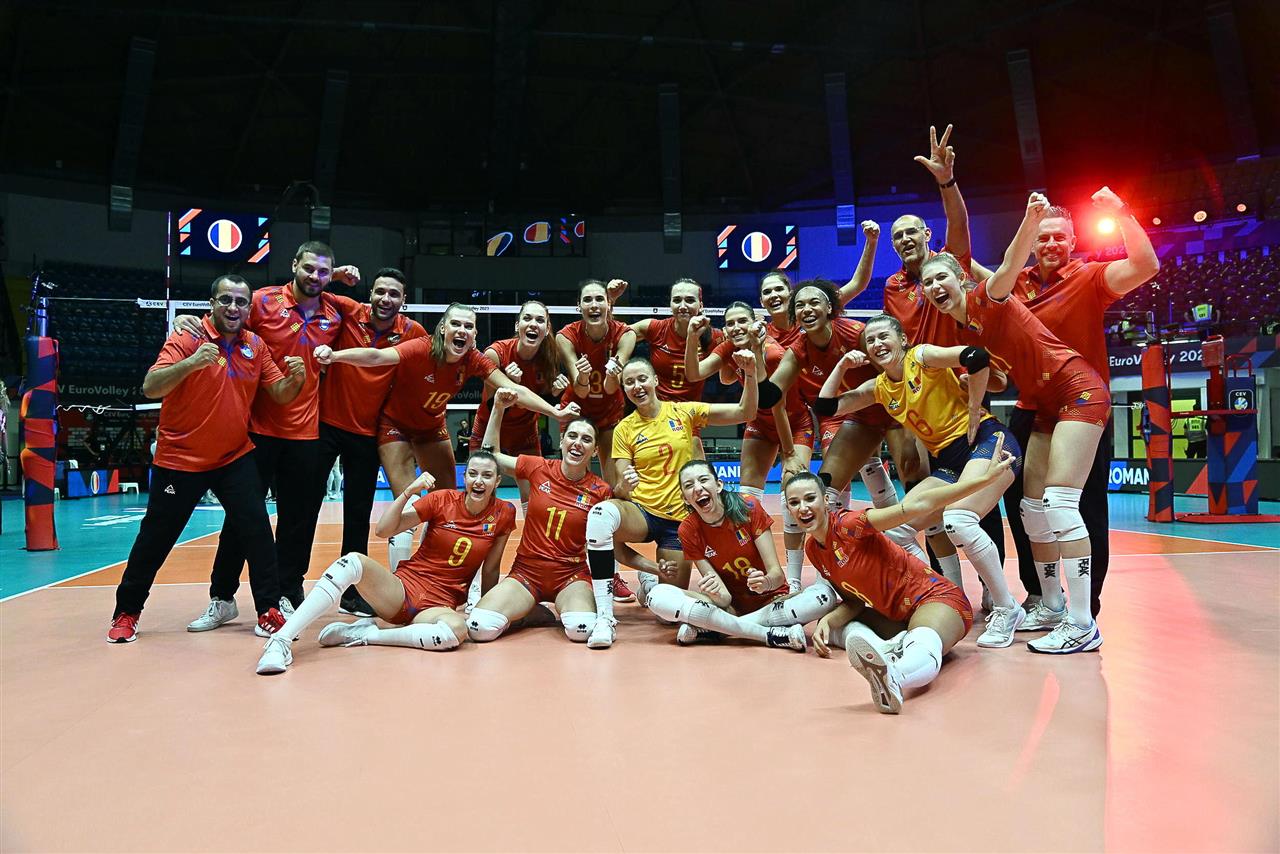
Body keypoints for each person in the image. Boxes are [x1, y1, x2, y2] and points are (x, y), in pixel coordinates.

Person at [922, 193, 1113, 653]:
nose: (934, 286)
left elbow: (1009, 263)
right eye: (927, 282)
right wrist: (973, 403)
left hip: (1078, 390)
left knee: (1061, 503)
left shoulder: (987, 296)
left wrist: (1031, 218)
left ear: (961, 278)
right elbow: (993, 375)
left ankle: (1083, 623)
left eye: (941, 276)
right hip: (1042, 404)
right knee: (1031, 509)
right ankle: (1051, 604)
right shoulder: (964, 329)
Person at [173, 242, 363, 629]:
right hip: (256, 431)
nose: (315, 276)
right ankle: (222, 597)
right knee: (241, 519)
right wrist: (186, 320)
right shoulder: (262, 301)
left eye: (323, 272)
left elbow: (376, 314)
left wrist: (341, 274)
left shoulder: (335, 310)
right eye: (308, 268)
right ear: (293, 265)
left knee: (299, 521)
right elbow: (225, 317)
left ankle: (288, 592)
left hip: (306, 433)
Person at [108, 275, 305, 643]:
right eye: (226, 299)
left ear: (248, 308)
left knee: (257, 532)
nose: (233, 307)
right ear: (212, 303)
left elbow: (279, 393)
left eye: (241, 302)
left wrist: (297, 379)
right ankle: (127, 612)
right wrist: (193, 363)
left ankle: (268, 610)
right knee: (155, 539)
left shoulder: (255, 345)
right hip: (180, 459)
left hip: (234, 456)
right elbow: (151, 386)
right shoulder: (188, 337)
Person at [314, 302, 579, 572]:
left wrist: (554, 413)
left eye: (468, 326)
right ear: (442, 328)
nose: (461, 330)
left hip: (431, 427)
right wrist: (334, 356)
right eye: (456, 324)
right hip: (396, 426)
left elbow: (514, 390)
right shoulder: (422, 347)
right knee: (410, 502)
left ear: (474, 335)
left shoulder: (474, 359)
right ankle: (400, 581)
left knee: (448, 503)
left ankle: (432, 572)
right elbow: (376, 357)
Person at [816, 315, 1027, 647]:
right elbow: (826, 406)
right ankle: (927, 593)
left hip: (987, 441)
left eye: (883, 336)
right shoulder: (879, 388)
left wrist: (974, 408)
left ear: (902, 339)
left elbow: (975, 357)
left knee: (959, 520)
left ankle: (1007, 607)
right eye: (870, 341)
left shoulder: (922, 356)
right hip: (950, 461)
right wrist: (842, 365)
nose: (877, 344)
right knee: (896, 529)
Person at [1000, 187, 1159, 618]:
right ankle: (1044, 598)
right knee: (1025, 508)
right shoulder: (1015, 282)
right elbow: (971, 276)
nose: (1051, 244)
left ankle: (1087, 608)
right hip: (1032, 409)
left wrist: (1121, 212)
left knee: (1083, 508)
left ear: (1072, 241)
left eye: (1059, 237)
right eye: (1043, 237)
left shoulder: (1090, 277)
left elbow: (1146, 265)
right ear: (1032, 242)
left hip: (1083, 410)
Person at [784, 435, 1015, 714]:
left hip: (937, 600)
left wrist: (983, 481)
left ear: (825, 501)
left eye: (810, 499)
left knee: (923, 642)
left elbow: (919, 506)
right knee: (833, 629)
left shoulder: (851, 524)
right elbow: (855, 601)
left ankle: (895, 675)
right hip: (896, 617)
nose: (803, 508)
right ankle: (893, 649)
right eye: (794, 503)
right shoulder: (814, 549)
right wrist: (828, 620)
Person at [255, 453, 515, 674]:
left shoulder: (504, 513)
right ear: (464, 477)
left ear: (497, 481)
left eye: (487, 475)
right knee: (352, 562)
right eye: (472, 474)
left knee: (456, 631)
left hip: (440, 604)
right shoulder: (442, 500)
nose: (478, 481)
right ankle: (281, 641)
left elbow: (491, 568)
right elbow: (384, 530)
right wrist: (409, 492)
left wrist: (486, 611)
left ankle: (365, 634)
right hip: (403, 589)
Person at [583, 353, 758, 649]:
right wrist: (624, 485)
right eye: (629, 382)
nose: (637, 386)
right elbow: (620, 488)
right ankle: (604, 617)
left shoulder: (683, 412)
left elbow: (745, 411)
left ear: (654, 380)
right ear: (624, 389)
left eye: (642, 379)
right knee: (600, 515)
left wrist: (751, 374)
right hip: (642, 512)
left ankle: (648, 586)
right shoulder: (624, 428)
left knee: (666, 614)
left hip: (678, 522)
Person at [310, 267, 426, 617]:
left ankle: (352, 594)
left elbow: (439, 353)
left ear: (404, 300)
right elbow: (309, 290)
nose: (385, 299)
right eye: (380, 292)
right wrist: (334, 274)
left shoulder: (412, 332)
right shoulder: (349, 310)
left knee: (358, 517)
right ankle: (289, 588)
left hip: (366, 434)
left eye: (394, 294)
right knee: (304, 508)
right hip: (325, 427)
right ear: (370, 294)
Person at [464, 388, 611, 644]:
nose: (577, 443)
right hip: (527, 573)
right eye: (572, 436)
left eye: (586, 439)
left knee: (581, 629)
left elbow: (609, 545)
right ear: (562, 440)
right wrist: (498, 408)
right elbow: (490, 457)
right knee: (479, 628)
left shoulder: (601, 490)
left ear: (595, 450)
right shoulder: (538, 467)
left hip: (570, 575)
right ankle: (531, 611)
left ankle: (554, 608)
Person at [644, 460, 838, 649]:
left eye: (703, 480)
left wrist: (765, 583)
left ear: (718, 485)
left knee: (823, 596)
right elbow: (724, 598)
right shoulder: (688, 530)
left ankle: (719, 630)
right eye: (689, 485)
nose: (697, 488)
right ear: (685, 498)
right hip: (729, 608)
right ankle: (768, 635)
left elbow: (777, 576)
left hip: (771, 603)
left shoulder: (748, 507)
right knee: (657, 595)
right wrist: (713, 593)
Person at [683, 302, 809, 592]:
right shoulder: (729, 347)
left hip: (793, 423)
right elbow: (695, 373)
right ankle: (751, 568)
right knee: (746, 499)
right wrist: (692, 338)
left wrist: (789, 453)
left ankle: (792, 580)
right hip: (760, 423)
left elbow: (776, 405)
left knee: (792, 491)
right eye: (730, 323)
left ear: (756, 322)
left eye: (742, 321)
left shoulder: (774, 353)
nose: (736, 327)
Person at [556, 279, 638, 602]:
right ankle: (568, 565)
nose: (593, 304)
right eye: (587, 299)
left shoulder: (625, 335)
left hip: (610, 414)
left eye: (599, 299)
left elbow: (608, 389)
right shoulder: (566, 336)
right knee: (570, 487)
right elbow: (580, 389)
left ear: (608, 304)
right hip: (576, 410)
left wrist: (614, 372)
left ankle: (612, 571)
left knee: (613, 490)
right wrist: (579, 375)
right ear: (579, 306)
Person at [469, 300, 571, 516]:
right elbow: (493, 402)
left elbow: (539, 395)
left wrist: (554, 392)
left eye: (540, 320)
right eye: (527, 318)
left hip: (525, 430)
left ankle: (533, 537)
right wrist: (509, 383)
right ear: (517, 325)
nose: (533, 324)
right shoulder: (496, 353)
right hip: (490, 426)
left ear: (547, 329)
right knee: (479, 488)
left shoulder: (549, 358)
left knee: (534, 491)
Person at [628, 278, 725, 402]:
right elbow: (617, 334)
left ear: (700, 306)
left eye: (690, 300)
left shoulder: (715, 337)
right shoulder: (656, 328)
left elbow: (729, 375)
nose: (682, 306)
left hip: (692, 410)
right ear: (670, 305)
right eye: (677, 300)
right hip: (657, 408)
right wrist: (610, 301)